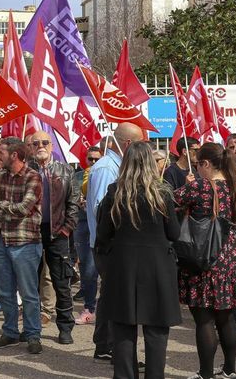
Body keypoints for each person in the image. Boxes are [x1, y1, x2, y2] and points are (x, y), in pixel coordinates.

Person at [95, 141, 180, 379]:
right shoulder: (162, 192)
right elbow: (173, 233)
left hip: (124, 264)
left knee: (123, 329)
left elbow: (103, 234)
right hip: (157, 265)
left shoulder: (115, 192)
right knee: (156, 330)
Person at [175, 142, 236, 379]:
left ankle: (205, 373)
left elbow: (171, 202)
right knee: (225, 317)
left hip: (205, 257)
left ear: (206, 164)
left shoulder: (201, 187)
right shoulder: (235, 184)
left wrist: (188, 186)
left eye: (198, 165)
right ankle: (230, 370)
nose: (196, 169)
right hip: (229, 256)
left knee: (204, 318)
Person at [88, 121, 144, 364]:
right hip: (109, 246)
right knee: (116, 297)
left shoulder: (115, 166)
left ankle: (104, 345)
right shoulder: (106, 168)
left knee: (111, 295)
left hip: (113, 246)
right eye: (142, 143)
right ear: (129, 144)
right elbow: (103, 209)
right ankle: (110, 347)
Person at [0, 137, 43, 355]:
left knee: (28, 292)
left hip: (25, 242)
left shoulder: (33, 177)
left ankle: (32, 334)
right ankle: (9, 332)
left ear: (14, 155)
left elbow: (25, 208)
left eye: (2, 152)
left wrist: (2, 205)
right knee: (6, 291)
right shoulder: (0, 175)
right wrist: (7, 207)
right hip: (1, 239)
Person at [25, 130, 80, 345]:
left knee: (61, 283)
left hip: (58, 234)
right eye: (35, 143)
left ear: (51, 146)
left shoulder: (65, 170)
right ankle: (32, 329)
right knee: (30, 283)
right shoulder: (25, 171)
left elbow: (73, 204)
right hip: (32, 234)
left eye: (44, 142)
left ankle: (65, 327)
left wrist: (66, 230)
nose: (40, 146)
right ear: (29, 147)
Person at [74, 145, 103, 326]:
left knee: (95, 269)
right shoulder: (78, 176)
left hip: (99, 226)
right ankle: (89, 307)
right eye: (90, 159)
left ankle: (96, 307)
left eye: (96, 159)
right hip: (82, 224)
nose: (92, 162)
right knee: (86, 268)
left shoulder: (105, 173)